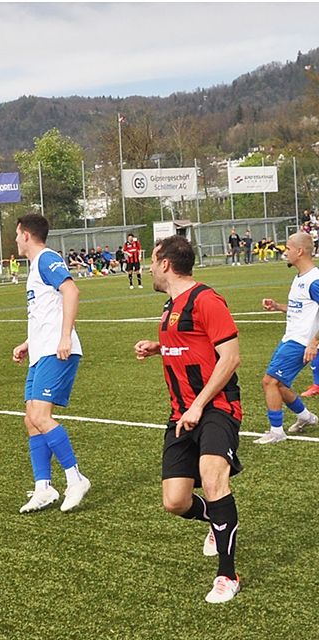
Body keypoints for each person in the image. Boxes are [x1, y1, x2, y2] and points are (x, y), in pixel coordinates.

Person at [133, 234, 243, 604]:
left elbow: (229, 357)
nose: (148, 266)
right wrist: (157, 346)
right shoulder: (170, 306)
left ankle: (227, 575)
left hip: (216, 407)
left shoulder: (207, 299)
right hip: (180, 412)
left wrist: (199, 404)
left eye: (152, 260)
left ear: (165, 263)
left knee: (213, 479)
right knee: (175, 502)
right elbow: (189, 343)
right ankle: (215, 520)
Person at [10, 214, 90, 514]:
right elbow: (46, 312)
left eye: (18, 234)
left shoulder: (46, 258)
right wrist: (27, 344)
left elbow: (71, 290)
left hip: (58, 352)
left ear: (27, 235)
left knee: (42, 416)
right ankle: (43, 487)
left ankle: (75, 477)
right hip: (40, 352)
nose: (16, 240)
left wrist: (65, 337)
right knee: (31, 418)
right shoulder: (35, 267)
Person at [255, 232, 319, 443]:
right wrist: (277, 306)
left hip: (300, 342)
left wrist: (314, 342)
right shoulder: (300, 277)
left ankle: (277, 431)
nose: (286, 252)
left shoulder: (314, 280)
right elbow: (299, 308)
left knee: (270, 381)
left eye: (289, 248)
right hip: (290, 338)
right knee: (280, 384)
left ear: (300, 251)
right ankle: (306, 417)